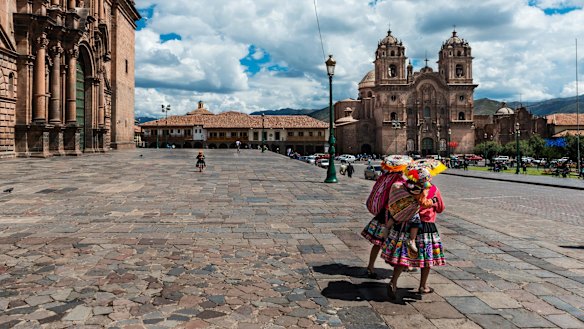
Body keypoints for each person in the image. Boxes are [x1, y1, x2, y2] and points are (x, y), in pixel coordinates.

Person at [381, 177, 446, 300]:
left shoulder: (405, 188)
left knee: (403, 256)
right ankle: (423, 286)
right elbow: (441, 208)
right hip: (427, 225)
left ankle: (393, 282)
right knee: (427, 257)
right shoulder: (432, 189)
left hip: (406, 225)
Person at [361, 156, 411, 279]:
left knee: (377, 242)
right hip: (394, 216)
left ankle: (370, 266)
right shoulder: (399, 180)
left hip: (383, 214)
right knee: (401, 241)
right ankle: (403, 265)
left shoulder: (385, 177)